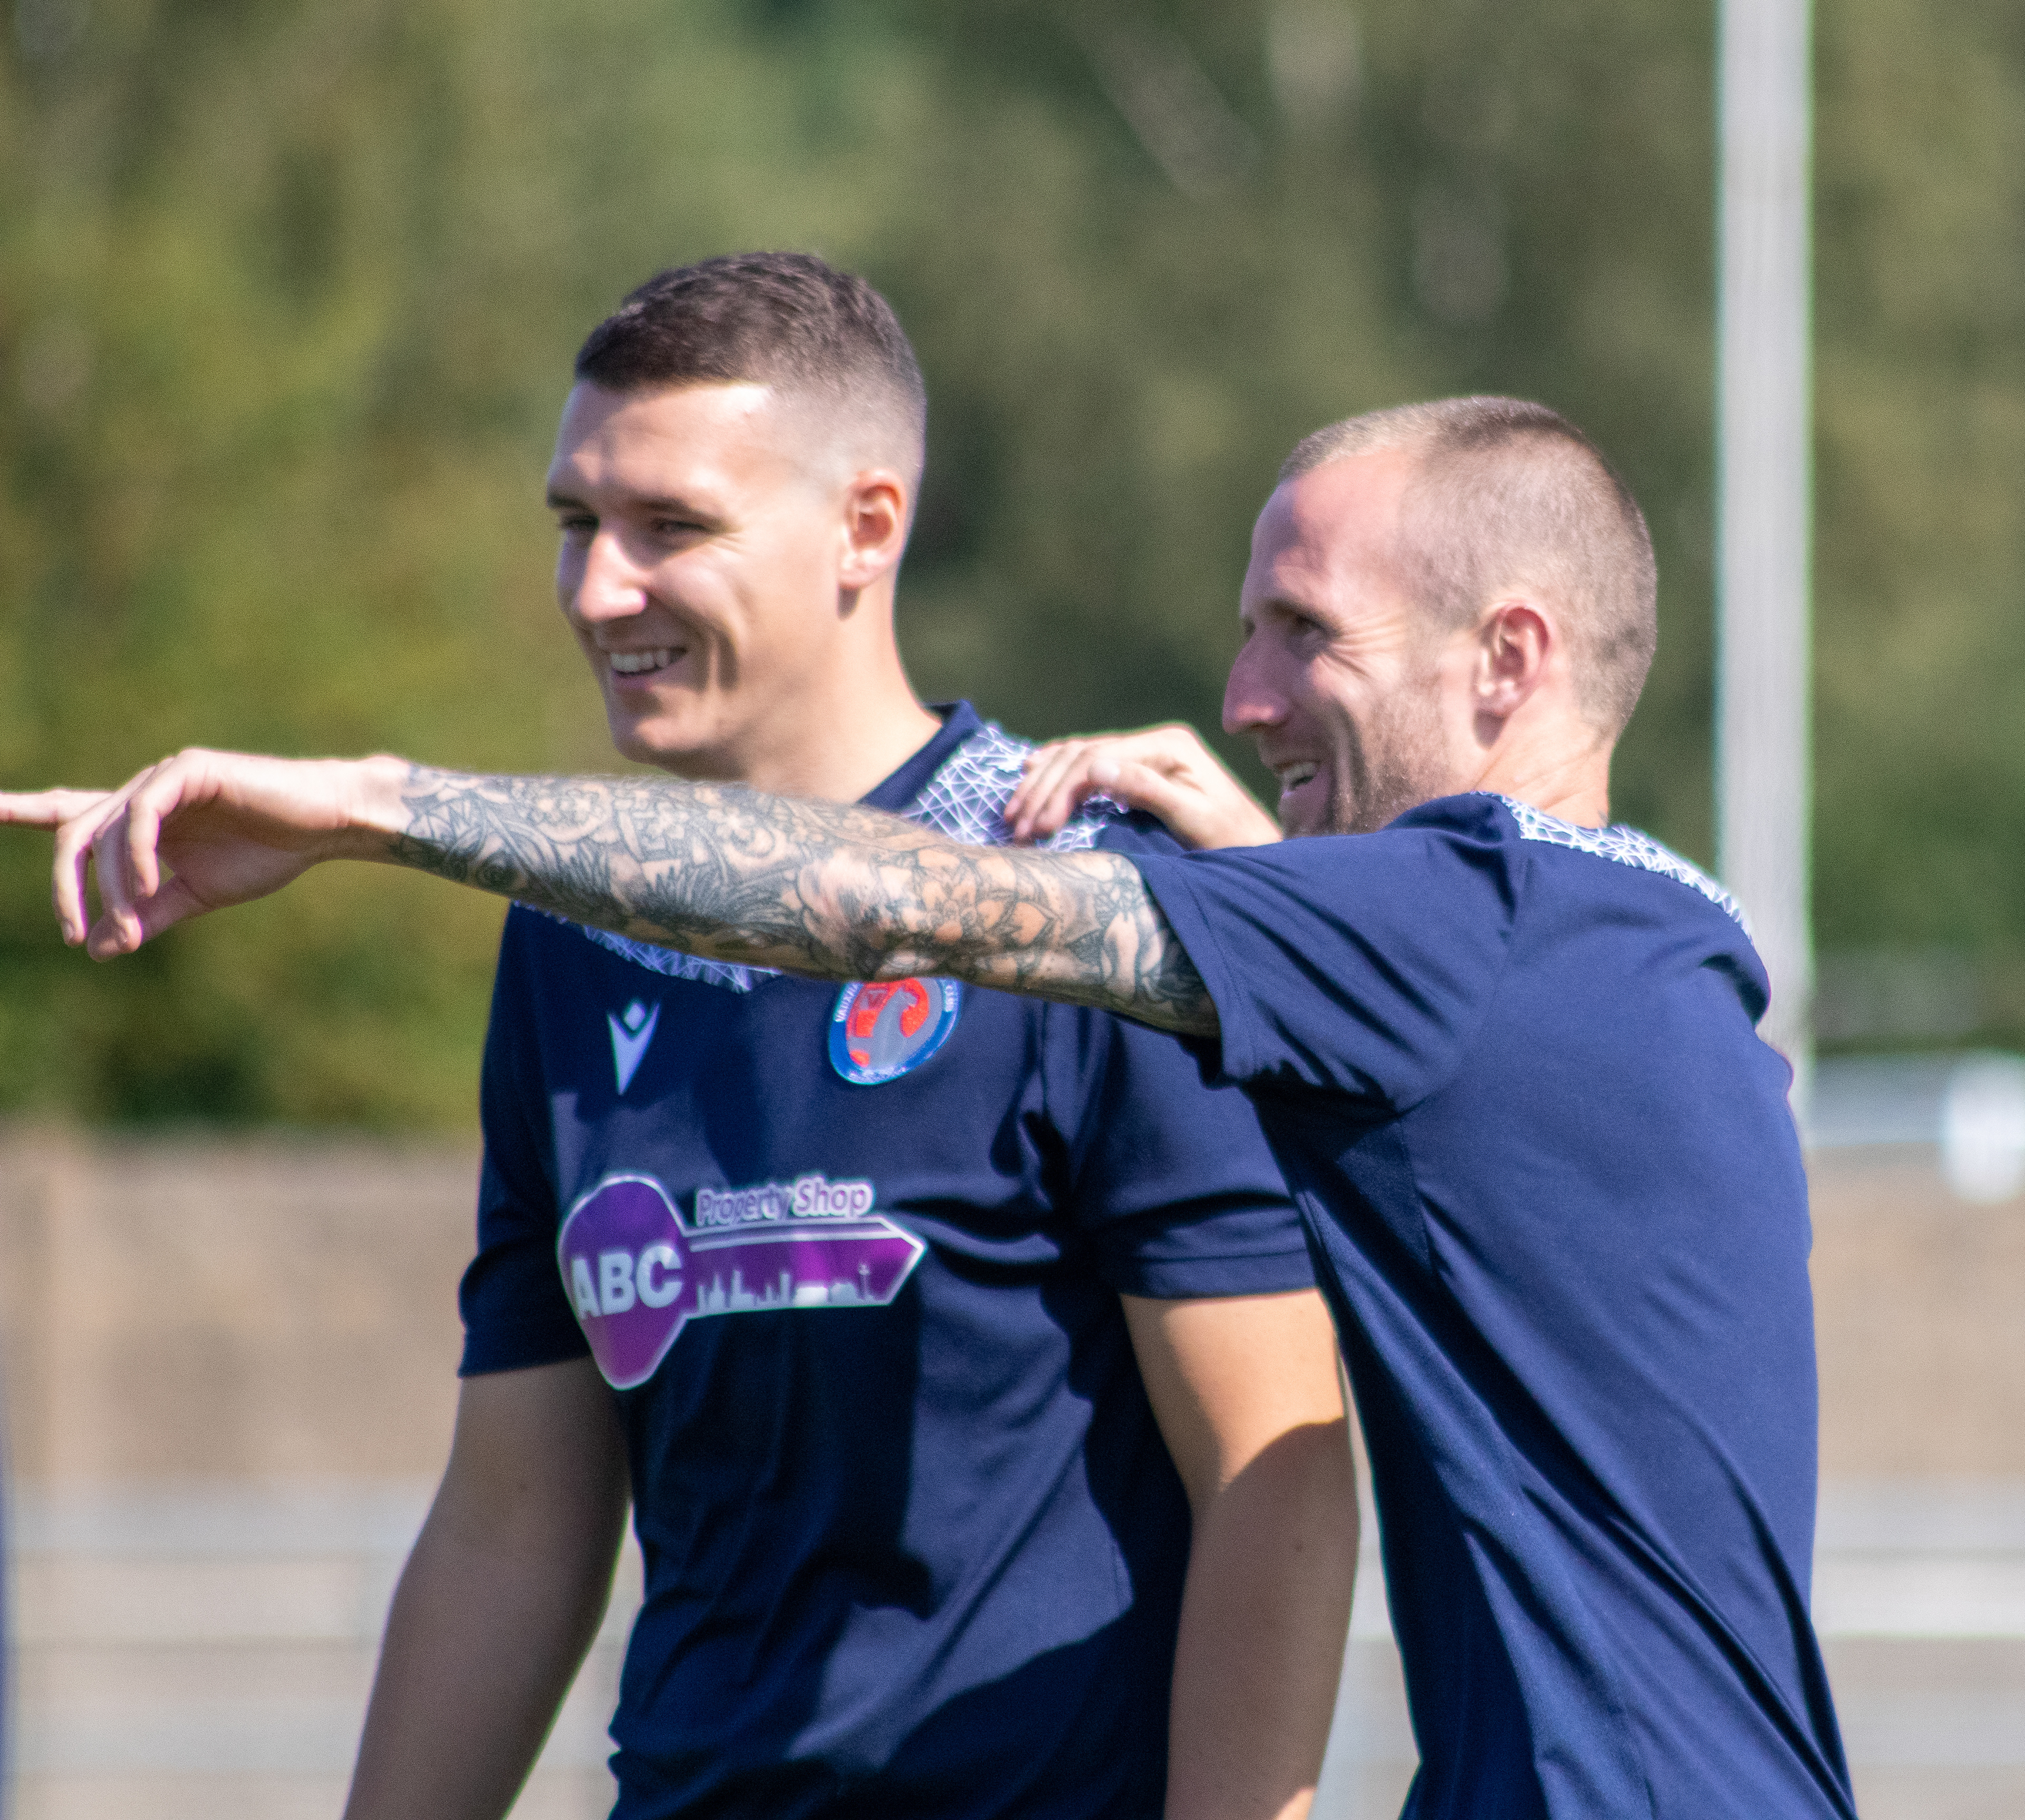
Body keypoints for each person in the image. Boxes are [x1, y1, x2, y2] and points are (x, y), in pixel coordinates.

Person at [2, 396, 1858, 1818]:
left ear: (1511, 658)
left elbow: (902, 897)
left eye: (1307, 632)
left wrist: (373, 811)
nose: (1245, 693)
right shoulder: (1624, 941)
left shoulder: (1470, 925)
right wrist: (1255, 873)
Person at [2, 254, 1361, 1820]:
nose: (597, 590)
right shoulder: (574, 940)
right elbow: (517, 1519)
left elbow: (1277, 1469)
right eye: (578, 524)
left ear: (868, 528)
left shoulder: (1086, 910)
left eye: (672, 529)